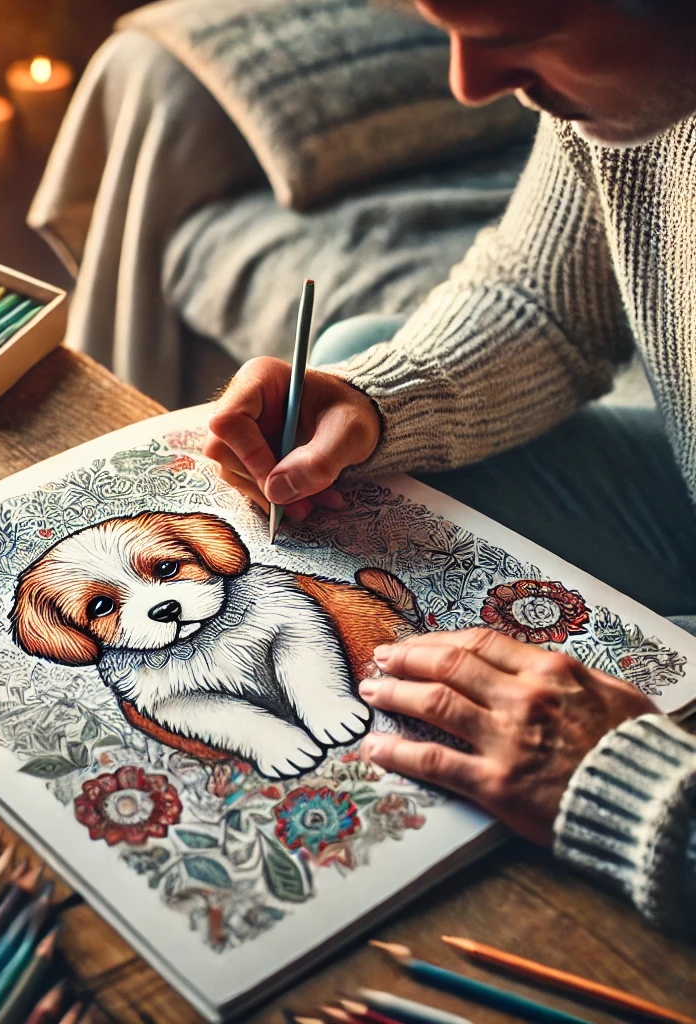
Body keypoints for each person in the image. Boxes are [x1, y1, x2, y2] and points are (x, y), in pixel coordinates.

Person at [204, 0, 696, 936]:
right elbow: (545, 293)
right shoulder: (629, 91)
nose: (471, 84)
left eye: (520, 30)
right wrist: (379, 401)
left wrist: (648, 796)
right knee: (359, 379)